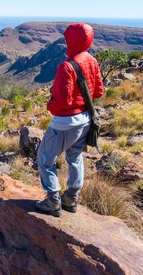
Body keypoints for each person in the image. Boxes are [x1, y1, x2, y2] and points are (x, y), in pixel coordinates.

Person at [34, 23, 104, 217]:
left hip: (65, 123)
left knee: (45, 160)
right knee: (75, 157)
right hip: (85, 120)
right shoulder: (92, 60)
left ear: (70, 40)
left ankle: (52, 201)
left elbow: (62, 102)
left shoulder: (66, 66)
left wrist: (50, 104)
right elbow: (98, 91)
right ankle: (71, 198)